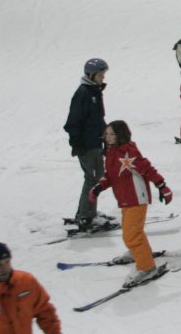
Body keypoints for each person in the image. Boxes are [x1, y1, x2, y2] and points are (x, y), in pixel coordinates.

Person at [90, 120, 171, 288]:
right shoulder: (112, 152)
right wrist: (99, 186)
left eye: (112, 134)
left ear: (121, 135)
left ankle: (147, 267)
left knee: (131, 234)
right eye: (107, 134)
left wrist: (162, 186)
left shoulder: (128, 152)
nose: (108, 137)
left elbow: (147, 169)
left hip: (136, 198)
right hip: (125, 199)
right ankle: (139, 253)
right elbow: (110, 175)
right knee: (132, 231)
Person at [64, 57, 107, 232]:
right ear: (91, 74)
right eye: (101, 74)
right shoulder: (83, 93)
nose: (103, 77)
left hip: (96, 143)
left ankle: (88, 211)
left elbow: (98, 119)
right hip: (87, 146)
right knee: (92, 179)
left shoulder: (94, 91)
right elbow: (72, 122)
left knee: (98, 177)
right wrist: (78, 143)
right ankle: (85, 216)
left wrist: (107, 135)